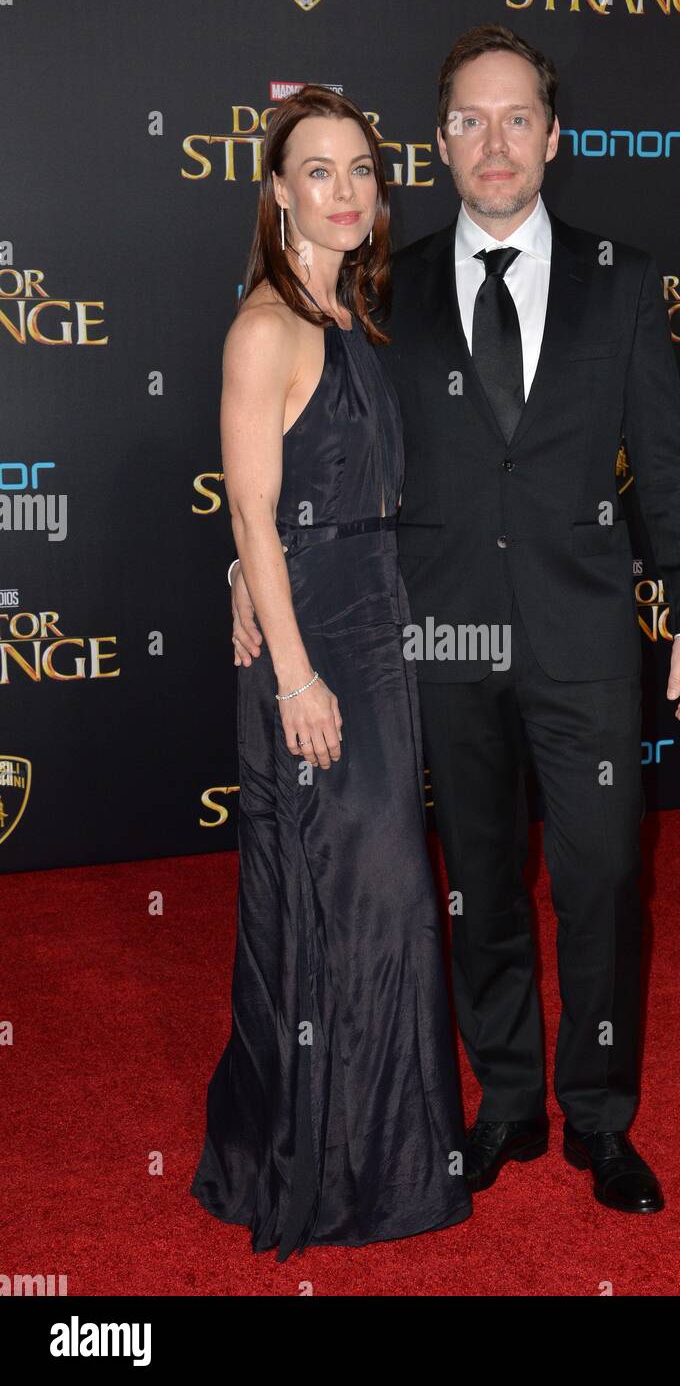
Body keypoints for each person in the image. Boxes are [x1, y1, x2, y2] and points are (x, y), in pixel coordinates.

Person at [231, 24, 680, 1218]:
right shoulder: (377, 286)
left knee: (603, 881)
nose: (492, 143)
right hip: (436, 645)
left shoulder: (623, 277)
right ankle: (504, 1100)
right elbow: (305, 451)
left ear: (552, 139)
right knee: (480, 886)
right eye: (467, 120)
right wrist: (246, 569)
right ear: (440, 142)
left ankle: (598, 1118)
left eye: (515, 119)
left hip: (585, 645)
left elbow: (664, 465)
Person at [189, 85, 472, 1261]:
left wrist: (259, 582)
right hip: (322, 644)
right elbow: (252, 508)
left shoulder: (348, 312)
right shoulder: (265, 324)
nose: (348, 190)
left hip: (369, 610)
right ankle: (329, 1164)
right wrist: (295, 675)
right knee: (353, 894)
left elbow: (298, 498)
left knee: (386, 898)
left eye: (361, 169)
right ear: (276, 191)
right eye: (319, 171)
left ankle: (379, 1155)